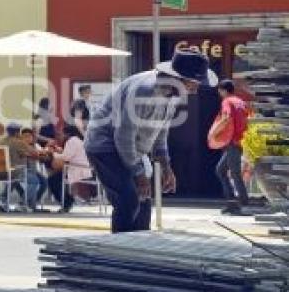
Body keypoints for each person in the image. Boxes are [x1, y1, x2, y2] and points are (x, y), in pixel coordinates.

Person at [84, 49, 216, 233]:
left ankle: (139, 248)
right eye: (193, 83)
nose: (195, 89)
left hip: (132, 148)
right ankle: (120, 252)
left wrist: (166, 166)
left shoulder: (174, 94)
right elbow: (123, 137)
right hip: (105, 146)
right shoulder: (144, 91)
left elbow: (161, 131)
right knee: (128, 201)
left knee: (143, 201)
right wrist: (139, 174)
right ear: (177, 77)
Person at [214, 79, 250, 215]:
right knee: (221, 170)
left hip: (233, 142)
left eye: (219, 90)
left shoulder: (227, 101)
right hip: (241, 141)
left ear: (223, 90)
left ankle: (242, 203)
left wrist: (214, 132)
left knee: (235, 173)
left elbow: (226, 117)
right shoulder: (241, 102)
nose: (219, 93)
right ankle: (232, 202)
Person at [48, 125, 92, 213]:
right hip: (79, 168)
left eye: (63, 133)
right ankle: (67, 201)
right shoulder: (77, 140)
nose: (62, 135)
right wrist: (59, 151)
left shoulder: (71, 141)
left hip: (77, 169)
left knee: (52, 180)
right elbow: (69, 154)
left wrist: (53, 153)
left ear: (68, 133)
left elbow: (66, 157)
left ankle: (66, 202)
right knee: (56, 178)